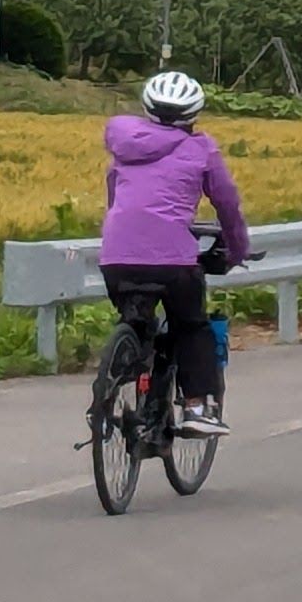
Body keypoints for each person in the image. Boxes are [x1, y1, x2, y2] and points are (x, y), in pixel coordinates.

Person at [101, 67, 248, 435]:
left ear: (147, 107)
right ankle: (197, 409)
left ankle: (123, 372)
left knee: (138, 322)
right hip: (172, 260)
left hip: (116, 256)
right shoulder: (200, 148)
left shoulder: (122, 142)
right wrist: (237, 248)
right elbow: (227, 204)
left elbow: (115, 197)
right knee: (191, 326)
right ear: (193, 114)